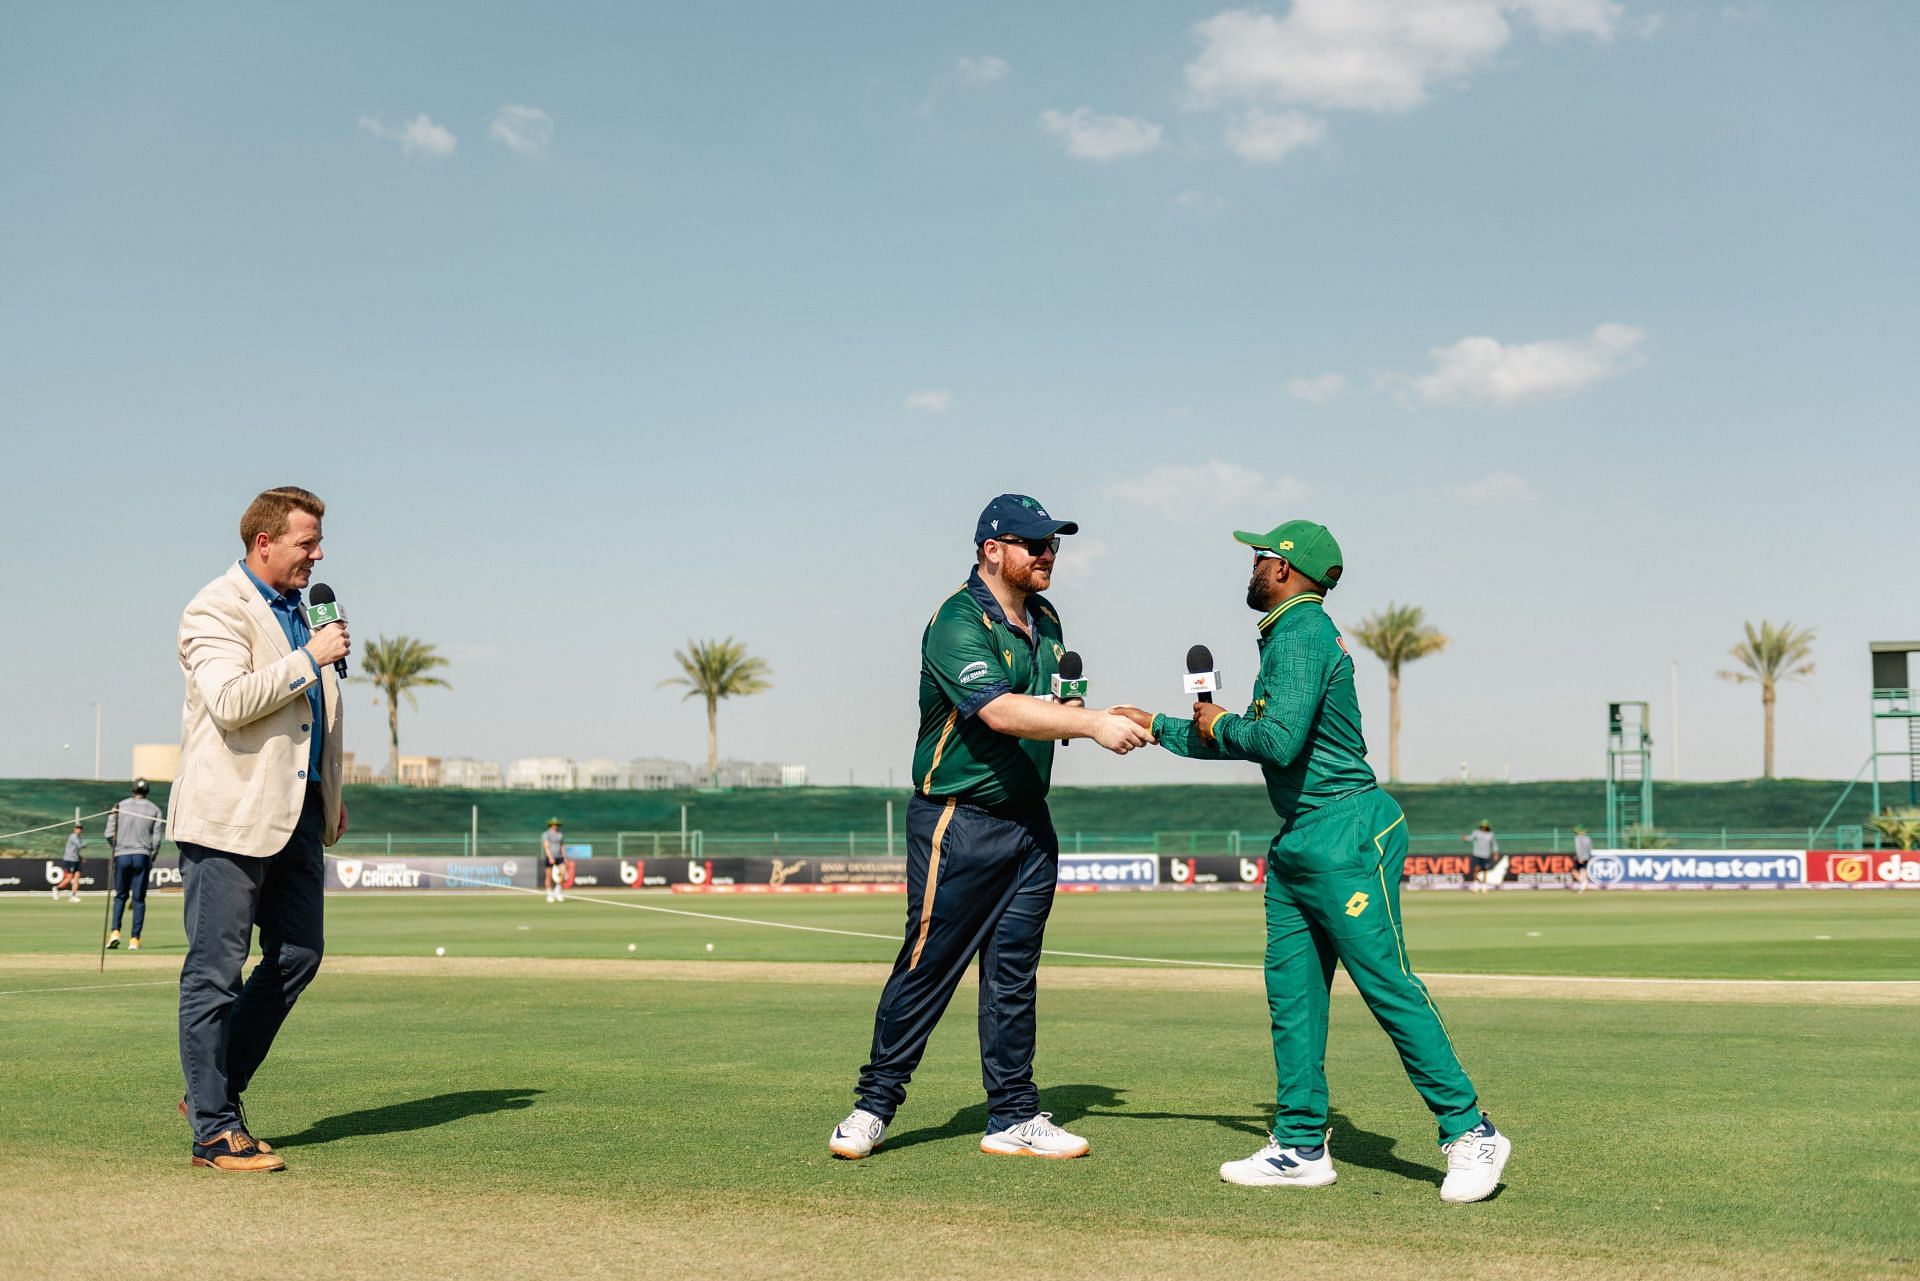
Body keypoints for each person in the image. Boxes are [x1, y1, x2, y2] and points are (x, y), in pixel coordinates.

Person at [1114, 519, 1511, 1204]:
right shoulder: (1287, 634)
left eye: (1261, 557)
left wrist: (1217, 723)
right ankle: (1300, 1144)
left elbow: (1274, 738)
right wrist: (1160, 726)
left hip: (1346, 831)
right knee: (1293, 996)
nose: (1253, 565)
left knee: (1386, 984)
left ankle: (1471, 1131)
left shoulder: (1300, 633)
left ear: (1288, 570)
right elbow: (1257, 737)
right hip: (1301, 838)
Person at [828, 494, 1153, 1162]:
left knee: (1013, 973)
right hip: (958, 819)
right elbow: (1000, 713)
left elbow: (1048, 705)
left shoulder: (1046, 615)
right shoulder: (957, 620)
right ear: (991, 550)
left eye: (1053, 544)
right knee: (928, 966)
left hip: (1029, 824)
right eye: (1034, 544)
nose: (1047, 554)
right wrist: (1091, 724)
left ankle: (1012, 1113)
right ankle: (872, 1105)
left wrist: (1090, 712)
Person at [168, 485, 348, 1173]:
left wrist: (327, 788)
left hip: (298, 815)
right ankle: (214, 1129)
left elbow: (312, 718)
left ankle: (209, 1091)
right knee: (214, 971)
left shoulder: (303, 614)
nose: (319, 553)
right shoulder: (215, 607)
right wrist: (312, 657)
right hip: (229, 819)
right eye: (307, 541)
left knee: (299, 953)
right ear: (263, 542)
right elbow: (230, 700)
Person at [106, 778, 165, 949]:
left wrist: (116, 847)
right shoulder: (154, 809)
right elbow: (156, 838)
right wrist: (152, 855)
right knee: (138, 900)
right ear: (147, 791)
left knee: (120, 896)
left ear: (133, 790)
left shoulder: (119, 806)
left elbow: (109, 833)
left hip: (122, 855)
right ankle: (134, 939)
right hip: (142, 855)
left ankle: (115, 932)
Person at [1463, 820, 1499, 893]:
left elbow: (1494, 844)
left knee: (1484, 870)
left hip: (1486, 855)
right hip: (1477, 854)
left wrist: (1496, 853)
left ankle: (1484, 886)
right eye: (1482, 826)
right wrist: (1465, 839)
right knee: (1476, 869)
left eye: (1485, 827)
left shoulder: (1490, 834)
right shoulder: (1476, 832)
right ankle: (1476, 885)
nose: (1483, 828)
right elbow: (1470, 838)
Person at [56, 823, 85, 901]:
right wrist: (86, 844)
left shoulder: (78, 837)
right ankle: (57, 888)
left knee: (77, 877)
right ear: (74, 829)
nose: (79, 830)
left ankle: (73, 896)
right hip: (69, 860)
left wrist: (80, 857)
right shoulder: (73, 836)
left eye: (80, 829)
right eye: (77, 828)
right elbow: (79, 845)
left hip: (76, 860)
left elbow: (76, 850)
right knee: (69, 879)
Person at [543, 819, 567, 902]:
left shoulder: (560, 834)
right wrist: (550, 857)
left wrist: (564, 856)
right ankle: (549, 894)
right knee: (548, 876)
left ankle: (558, 889)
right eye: (554, 824)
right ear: (551, 825)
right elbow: (546, 846)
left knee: (564, 872)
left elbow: (562, 846)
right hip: (550, 857)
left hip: (559, 856)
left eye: (557, 824)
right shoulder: (546, 834)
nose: (556, 826)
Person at [1572, 825, 1594, 893]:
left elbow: (1578, 848)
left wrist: (1580, 857)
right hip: (1587, 857)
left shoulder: (1577, 838)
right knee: (1584, 871)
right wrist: (1589, 856)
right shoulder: (1588, 838)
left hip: (1580, 857)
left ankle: (1583, 883)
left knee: (1574, 871)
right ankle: (1584, 886)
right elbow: (1590, 848)